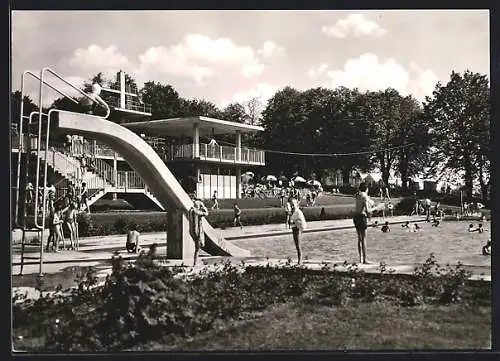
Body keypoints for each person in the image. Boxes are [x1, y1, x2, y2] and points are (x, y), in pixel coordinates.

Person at [353, 182, 383, 264]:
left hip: (355, 217)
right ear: (366, 189)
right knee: (364, 239)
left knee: (359, 239)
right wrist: (377, 207)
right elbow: (368, 210)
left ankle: (360, 259)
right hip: (362, 218)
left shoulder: (358, 195)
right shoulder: (364, 196)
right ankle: (365, 260)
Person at [189, 194, 209, 266]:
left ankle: (195, 262)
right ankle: (195, 263)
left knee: (197, 247)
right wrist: (204, 207)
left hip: (192, 231)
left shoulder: (191, 210)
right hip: (197, 231)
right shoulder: (196, 212)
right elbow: (206, 213)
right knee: (197, 248)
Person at [289, 198, 307, 264]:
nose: (292, 206)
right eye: (291, 205)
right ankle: (300, 260)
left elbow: (290, 221)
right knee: (297, 245)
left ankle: (300, 261)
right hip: (296, 228)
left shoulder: (296, 212)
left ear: (296, 204)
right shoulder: (295, 211)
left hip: (297, 229)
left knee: (298, 245)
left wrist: (289, 214)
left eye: (293, 204)